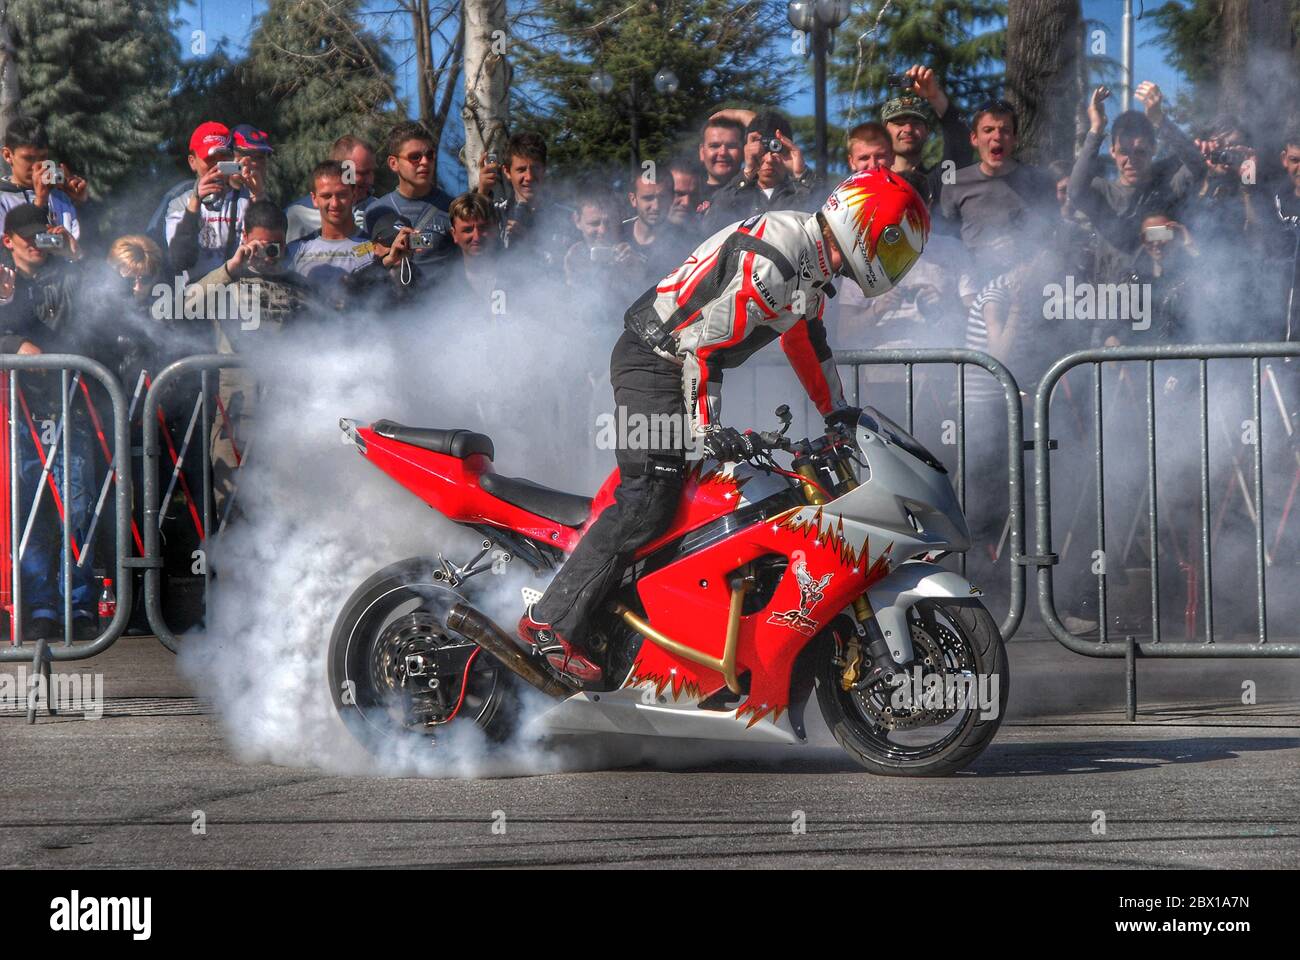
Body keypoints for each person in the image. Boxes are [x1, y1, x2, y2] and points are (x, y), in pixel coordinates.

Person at [519, 168, 930, 681]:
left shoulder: (812, 263)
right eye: (889, 246)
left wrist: (837, 413)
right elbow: (704, 346)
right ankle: (550, 622)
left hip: (678, 364)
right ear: (859, 225)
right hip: (654, 360)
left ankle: (637, 630)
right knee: (649, 497)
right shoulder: (778, 260)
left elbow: (804, 342)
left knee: (706, 502)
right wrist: (709, 426)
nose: (891, 263)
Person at [0, 203, 96, 640]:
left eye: (43, 235)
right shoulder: (3, 281)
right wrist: (16, 342)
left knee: (74, 509)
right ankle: (40, 605)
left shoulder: (70, 274)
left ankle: (77, 604)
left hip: (70, 405)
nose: (37, 245)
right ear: (8, 242)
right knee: (31, 511)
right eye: (27, 238)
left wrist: (78, 259)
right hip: (19, 412)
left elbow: (105, 313)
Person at [1067, 83, 1205, 279]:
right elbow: (1075, 192)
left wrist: (1160, 120)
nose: (1131, 160)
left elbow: (1198, 166)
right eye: (1124, 151)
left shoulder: (1168, 188)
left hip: (1162, 300)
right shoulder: (1103, 193)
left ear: (1153, 150)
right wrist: (1096, 130)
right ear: (1112, 151)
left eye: (1140, 152)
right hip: (1114, 303)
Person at [938, 99, 1058, 289]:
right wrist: (981, 253)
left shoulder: (1039, 181)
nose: (997, 137)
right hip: (971, 290)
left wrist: (1022, 248)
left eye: (1005, 131)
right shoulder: (954, 182)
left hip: (1029, 289)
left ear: (1015, 139)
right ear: (974, 139)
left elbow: (1055, 239)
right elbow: (947, 243)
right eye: (988, 130)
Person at [163, 121, 263, 283]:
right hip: (198, 296)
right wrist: (195, 203)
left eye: (223, 158)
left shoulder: (248, 199)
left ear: (231, 160)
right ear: (192, 162)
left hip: (241, 295)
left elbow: (269, 253)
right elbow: (180, 261)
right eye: (210, 159)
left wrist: (258, 195)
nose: (216, 166)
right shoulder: (180, 203)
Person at [701, 112, 818, 234]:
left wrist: (802, 174)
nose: (769, 158)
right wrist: (747, 173)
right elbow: (710, 227)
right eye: (761, 150)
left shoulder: (800, 193)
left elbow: (825, 221)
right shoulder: (734, 195)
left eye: (776, 147)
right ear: (746, 149)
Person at [365, 121, 456, 268]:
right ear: (393, 163)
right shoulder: (374, 212)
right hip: (389, 290)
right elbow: (364, 258)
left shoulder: (452, 208)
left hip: (445, 290)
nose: (425, 162)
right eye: (415, 157)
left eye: (430, 155)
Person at [881, 65, 973, 206]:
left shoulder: (943, 179)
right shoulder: (871, 185)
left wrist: (935, 96)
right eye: (899, 123)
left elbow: (961, 144)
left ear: (927, 131)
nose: (908, 128)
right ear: (884, 133)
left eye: (916, 123)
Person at [286, 160, 372, 307]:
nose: (335, 203)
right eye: (326, 196)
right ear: (314, 199)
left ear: (354, 194)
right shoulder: (294, 251)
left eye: (342, 195)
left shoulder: (374, 248)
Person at [0, 117, 86, 239]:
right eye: (28, 158)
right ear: (8, 155)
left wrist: (79, 202)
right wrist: (39, 203)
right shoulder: (3, 199)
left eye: (43, 157)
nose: (37, 166)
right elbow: (10, 251)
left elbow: (91, 247)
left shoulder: (58, 194)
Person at [286, 134, 377, 241]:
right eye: (361, 173)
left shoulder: (380, 209)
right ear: (339, 169)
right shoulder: (299, 215)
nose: (370, 180)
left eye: (372, 172)